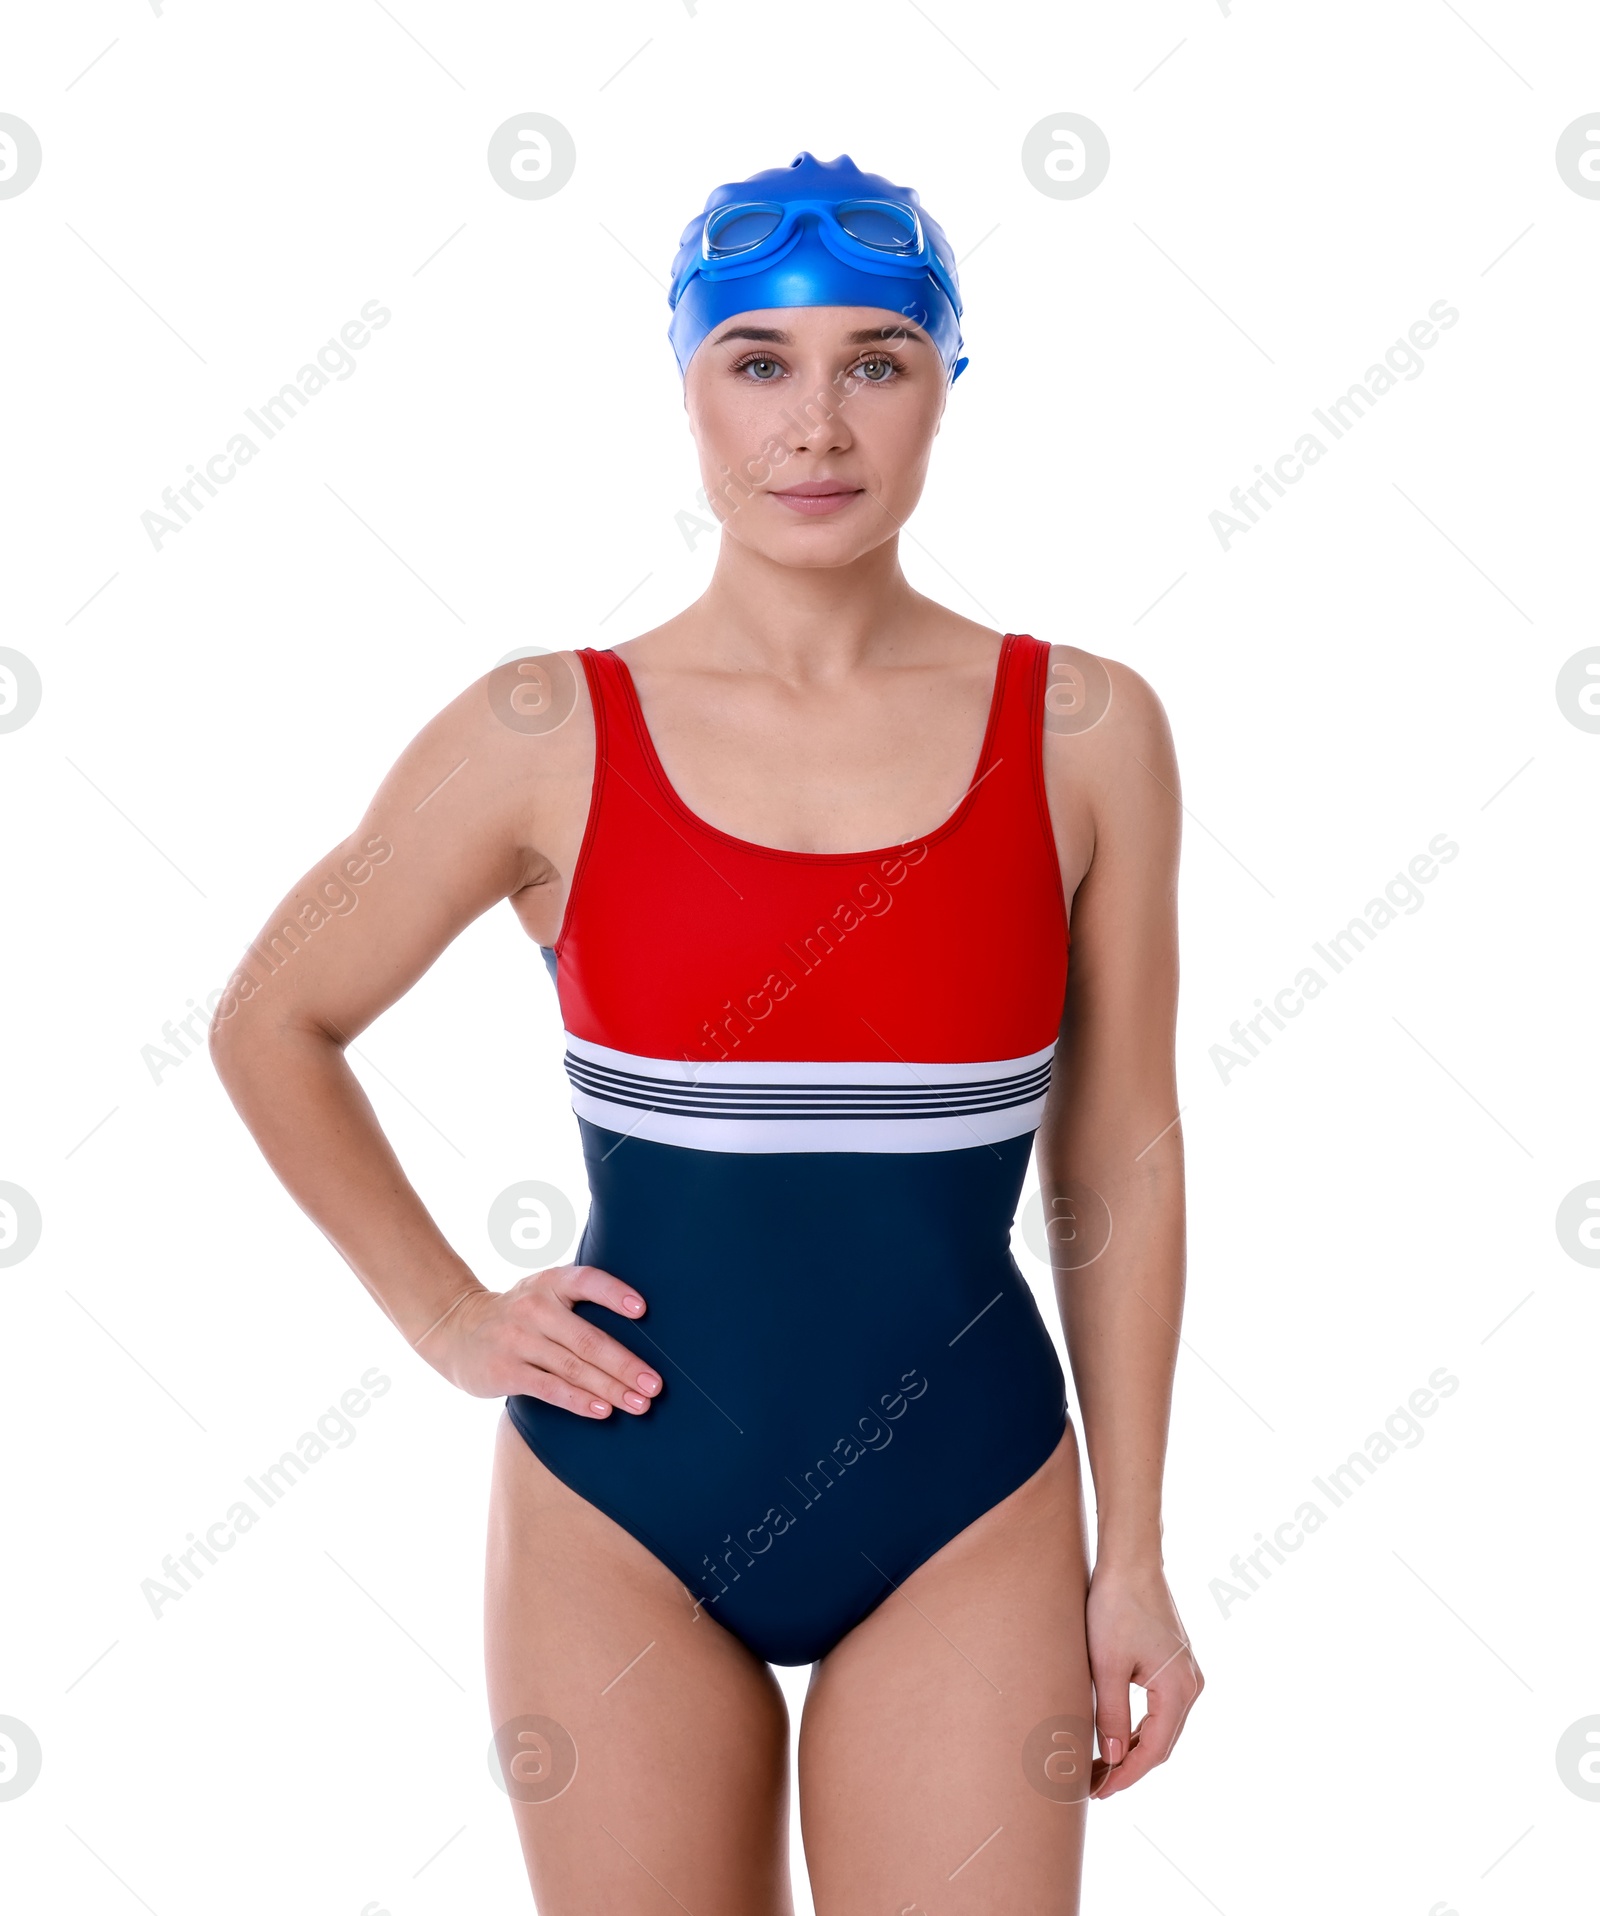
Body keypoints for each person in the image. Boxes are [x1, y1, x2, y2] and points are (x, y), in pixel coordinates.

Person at [210, 150, 1202, 1916]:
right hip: (625, 1507)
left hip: (968, 1501)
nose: (815, 425)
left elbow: (1119, 1146)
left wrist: (1136, 1552)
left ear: (945, 386)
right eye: (758, 363)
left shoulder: (1083, 728)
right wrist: (448, 1315)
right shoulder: (542, 730)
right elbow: (274, 1019)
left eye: (875, 361)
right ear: (687, 390)